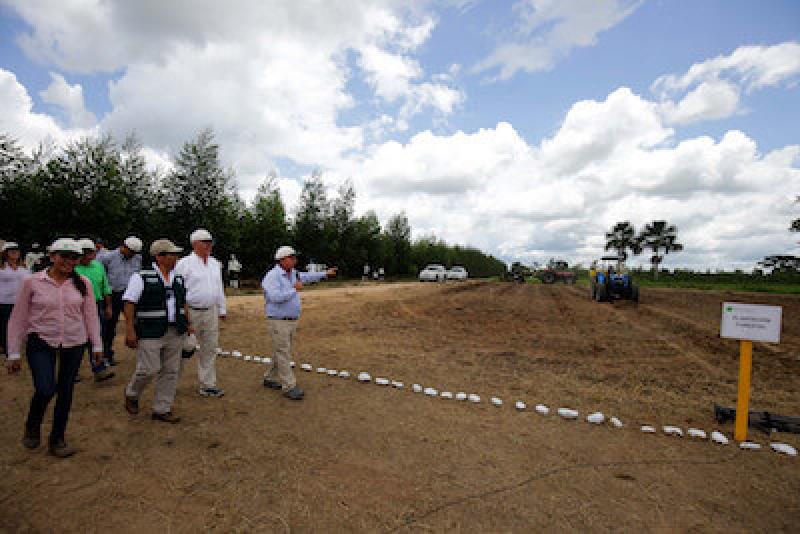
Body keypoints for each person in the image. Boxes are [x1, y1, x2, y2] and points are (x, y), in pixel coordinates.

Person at [6, 238, 103, 458]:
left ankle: (57, 438)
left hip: (74, 342)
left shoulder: (83, 283)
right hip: (41, 341)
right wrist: (13, 352)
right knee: (45, 388)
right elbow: (18, 317)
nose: (69, 261)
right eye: (64, 256)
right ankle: (33, 424)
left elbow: (90, 316)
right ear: (52, 257)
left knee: (66, 391)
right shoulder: (32, 282)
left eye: (74, 258)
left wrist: (97, 345)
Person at [123, 239, 192, 423]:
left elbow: (182, 301)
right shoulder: (141, 276)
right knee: (148, 369)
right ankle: (132, 392)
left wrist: (187, 322)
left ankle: (162, 408)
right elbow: (130, 302)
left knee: (171, 371)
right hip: (149, 330)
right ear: (159, 257)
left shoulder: (178, 277)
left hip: (174, 330)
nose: (176, 258)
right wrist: (130, 329)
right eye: (172, 254)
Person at [261, 246, 337, 400]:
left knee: (280, 351)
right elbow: (275, 297)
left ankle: (270, 377)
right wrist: (293, 289)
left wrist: (325, 274)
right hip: (278, 321)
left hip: (290, 320)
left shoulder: (293, 274)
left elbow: (308, 276)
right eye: (292, 257)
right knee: (283, 352)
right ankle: (289, 386)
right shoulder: (272, 276)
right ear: (282, 260)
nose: (295, 260)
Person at [175, 229, 226, 398]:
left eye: (210, 242)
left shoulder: (214, 263)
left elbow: (219, 287)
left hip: (210, 311)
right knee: (185, 347)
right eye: (205, 242)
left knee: (210, 348)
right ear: (195, 244)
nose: (209, 245)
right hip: (191, 311)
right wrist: (182, 314)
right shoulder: (184, 264)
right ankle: (170, 382)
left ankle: (208, 384)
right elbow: (178, 290)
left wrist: (222, 308)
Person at [74, 238, 114, 383]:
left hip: (97, 304)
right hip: (76, 307)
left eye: (92, 253)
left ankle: (99, 369)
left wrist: (108, 306)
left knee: (97, 336)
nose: (90, 256)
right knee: (77, 339)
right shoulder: (72, 268)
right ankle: (72, 371)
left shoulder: (98, 266)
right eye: (86, 253)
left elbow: (105, 287)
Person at [99, 236, 143, 365]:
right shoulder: (108, 257)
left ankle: (142, 352)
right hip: (114, 294)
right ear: (123, 247)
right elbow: (101, 274)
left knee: (136, 322)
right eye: (130, 251)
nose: (132, 254)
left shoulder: (137, 258)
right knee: (110, 325)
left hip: (131, 294)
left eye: (134, 252)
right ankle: (107, 354)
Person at [0, 242, 30, 357]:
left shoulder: (24, 267)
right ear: (5, 253)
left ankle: (15, 345)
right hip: (4, 301)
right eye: (11, 250)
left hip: (20, 301)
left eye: (16, 250)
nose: (14, 252)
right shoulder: (2, 267)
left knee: (19, 325)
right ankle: (6, 347)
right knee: (5, 325)